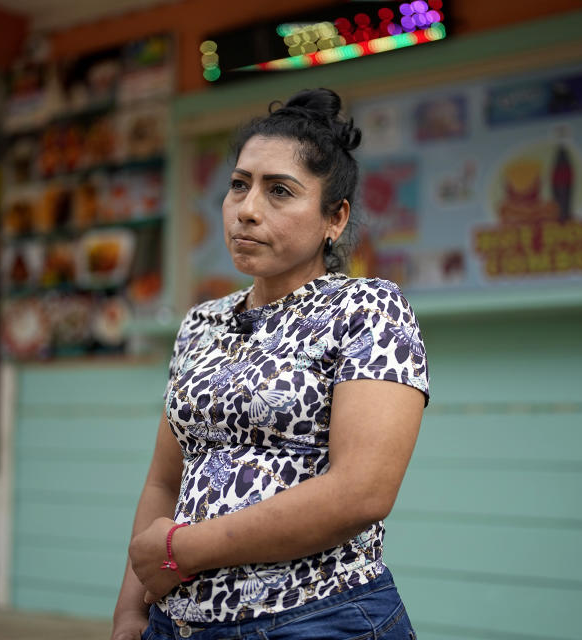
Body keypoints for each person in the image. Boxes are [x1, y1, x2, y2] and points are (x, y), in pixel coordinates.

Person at [110, 88, 429, 640]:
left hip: (318, 618)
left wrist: (183, 550)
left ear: (335, 218)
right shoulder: (201, 324)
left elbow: (362, 492)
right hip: (177, 624)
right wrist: (131, 613)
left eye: (279, 191)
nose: (247, 209)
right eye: (240, 185)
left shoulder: (368, 309)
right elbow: (166, 479)